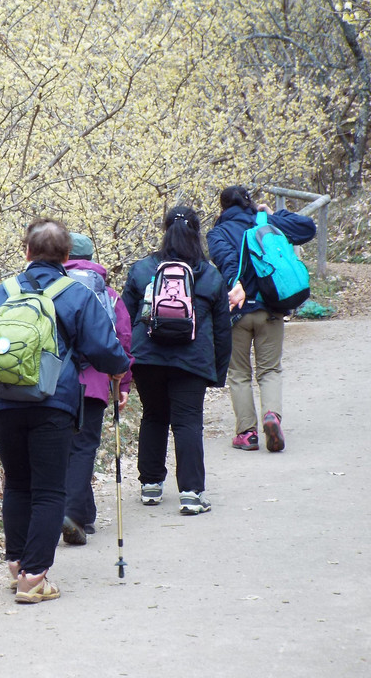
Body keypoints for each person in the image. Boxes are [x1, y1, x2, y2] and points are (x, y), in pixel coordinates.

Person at [0, 219, 129, 603]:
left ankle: (17, 566)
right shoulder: (75, 293)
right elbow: (104, 348)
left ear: (26, 252)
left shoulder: (4, 291)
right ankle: (34, 578)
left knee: (17, 484)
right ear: (66, 257)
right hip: (55, 403)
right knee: (49, 490)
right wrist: (120, 369)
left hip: (5, 402)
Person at [120, 206, 231, 515]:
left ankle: (151, 486)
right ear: (196, 233)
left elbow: (124, 321)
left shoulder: (143, 269)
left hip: (147, 358)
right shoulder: (209, 275)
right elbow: (223, 331)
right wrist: (217, 373)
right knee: (188, 423)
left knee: (154, 416)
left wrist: (125, 364)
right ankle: (192, 493)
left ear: (164, 230)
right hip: (192, 360)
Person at [205, 186, 317, 452]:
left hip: (237, 312)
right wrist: (273, 214)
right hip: (271, 309)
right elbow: (307, 228)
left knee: (240, 373)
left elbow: (226, 262)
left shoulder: (217, 232)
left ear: (223, 207)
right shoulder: (263, 222)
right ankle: (272, 416)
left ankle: (247, 433)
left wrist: (236, 285)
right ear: (249, 202)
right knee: (270, 370)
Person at [60, 233, 134, 546]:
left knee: (60, 448)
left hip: (55, 383)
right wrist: (124, 383)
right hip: (94, 383)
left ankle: (74, 513)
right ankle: (76, 514)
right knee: (84, 447)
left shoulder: (52, 288)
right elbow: (123, 339)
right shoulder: (109, 294)